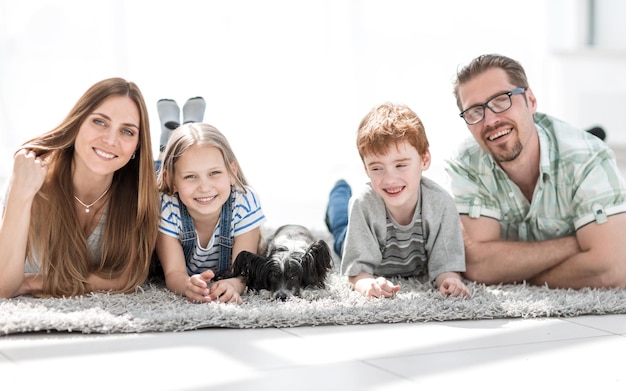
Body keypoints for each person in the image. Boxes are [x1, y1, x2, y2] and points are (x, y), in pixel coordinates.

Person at [445, 53, 626, 289]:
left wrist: (515, 275)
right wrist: (576, 244)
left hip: (572, 153)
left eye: (501, 100)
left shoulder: (589, 157)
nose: (490, 120)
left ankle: (584, 134)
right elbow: (477, 264)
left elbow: (612, 269)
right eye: (475, 112)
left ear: (530, 100)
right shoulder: (466, 162)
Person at [0, 77, 160, 298]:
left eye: (127, 132)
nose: (111, 140)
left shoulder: (138, 194)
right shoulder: (30, 180)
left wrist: (32, 282)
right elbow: (4, 286)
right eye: (100, 122)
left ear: (137, 147)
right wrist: (20, 192)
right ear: (77, 123)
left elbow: (124, 277)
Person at [326, 103, 470, 299]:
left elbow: (446, 265)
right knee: (340, 225)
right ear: (366, 169)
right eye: (377, 168)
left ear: (424, 160)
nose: (390, 179)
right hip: (358, 232)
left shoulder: (441, 204)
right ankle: (339, 190)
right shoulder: (363, 203)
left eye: (401, 165)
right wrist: (367, 284)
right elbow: (357, 273)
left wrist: (450, 280)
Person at [156, 122, 266, 304]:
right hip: (164, 182)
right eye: (190, 176)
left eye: (215, 172)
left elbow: (243, 273)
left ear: (232, 173)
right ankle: (166, 140)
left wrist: (234, 284)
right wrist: (186, 285)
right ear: (172, 181)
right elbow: (174, 272)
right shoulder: (166, 206)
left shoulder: (244, 201)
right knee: (152, 171)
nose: (205, 187)